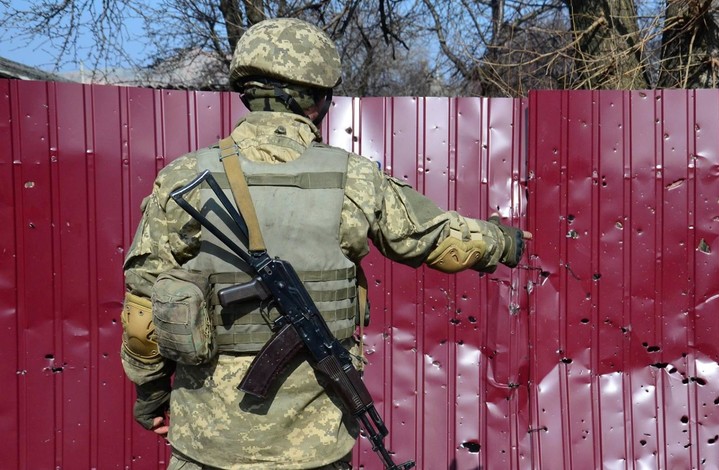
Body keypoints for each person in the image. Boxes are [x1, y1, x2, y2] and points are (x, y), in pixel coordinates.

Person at [119, 17, 530, 470]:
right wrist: (502, 241)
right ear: (318, 99)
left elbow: (143, 315)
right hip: (314, 443)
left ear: (247, 90)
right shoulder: (352, 176)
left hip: (208, 440)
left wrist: (150, 397)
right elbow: (435, 240)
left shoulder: (184, 178)